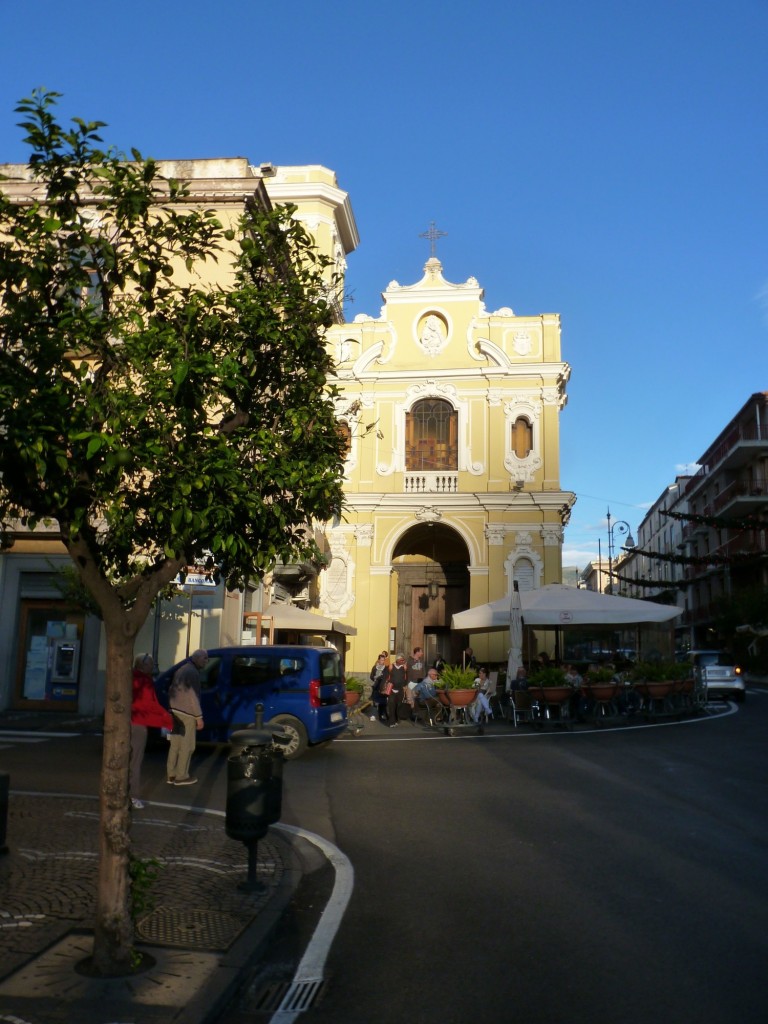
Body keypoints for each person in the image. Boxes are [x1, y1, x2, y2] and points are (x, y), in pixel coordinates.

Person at [130, 653, 173, 809]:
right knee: (135, 762)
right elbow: (149, 704)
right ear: (143, 666)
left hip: (126, 722)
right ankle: (133, 796)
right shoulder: (144, 682)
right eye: (151, 665)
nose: (154, 667)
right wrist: (166, 718)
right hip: (138, 723)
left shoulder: (129, 678)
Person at [166, 648, 208, 786]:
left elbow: (172, 688)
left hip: (175, 711)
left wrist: (171, 708)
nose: (206, 661)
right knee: (188, 745)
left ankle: (171, 774)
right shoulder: (193, 673)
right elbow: (193, 696)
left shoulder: (182, 669)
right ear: (196, 658)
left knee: (175, 744)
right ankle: (181, 776)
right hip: (187, 713)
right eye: (204, 658)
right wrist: (198, 717)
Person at [387, 653, 408, 726]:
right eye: (402, 660)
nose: (403, 661)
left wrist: (405, 686)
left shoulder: (404, 668)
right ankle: (391, 722)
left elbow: (406, 678)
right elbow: (386, 677)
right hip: (392, 689)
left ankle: (396, 719)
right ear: (397, 660)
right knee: (391, 705)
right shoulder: (391, 666)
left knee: (399, 705)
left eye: (404, 660)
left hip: (400, 690)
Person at [369, 652, 390, 722]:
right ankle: (373, 715)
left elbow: (387, 677)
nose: (382, 661)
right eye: (381, 660)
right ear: (378, 660)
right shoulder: (374, 667)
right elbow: (371, 676)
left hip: (382, 687)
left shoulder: (386, 668)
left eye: (383, 660)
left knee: (382, 702)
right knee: (375, 701)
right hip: (375, 686)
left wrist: (381, 678)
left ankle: (381, 715)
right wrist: (375, 678)